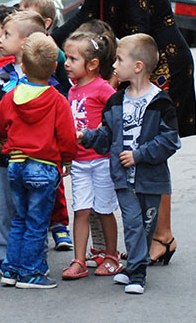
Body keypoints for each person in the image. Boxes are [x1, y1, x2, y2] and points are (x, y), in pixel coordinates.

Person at [51, 0, 196, 265]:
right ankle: (157, 235)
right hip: (136, 65)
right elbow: (86, 16)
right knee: (140, 151)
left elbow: (135, 42)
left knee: (151, 154)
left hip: (162, 69)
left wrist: (110, 84)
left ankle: (162, 236)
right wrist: (47, 39)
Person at [78, 33, 181, 295]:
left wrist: (139, 155)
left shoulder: (161, 102)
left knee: (145, 227)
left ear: (138, 67)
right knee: (133, 223)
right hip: (123, 179)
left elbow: (170, 141)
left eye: (119, 60)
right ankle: (137, 273)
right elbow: (107, 137)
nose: (113, 66)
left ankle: (134, 265)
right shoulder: (115, 102)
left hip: (151, 178)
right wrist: (87, 136)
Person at [0, 33, 78, 290]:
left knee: (20, 218)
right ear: (53, 69)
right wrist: (67, 160)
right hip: (44, 166)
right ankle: (31, 272)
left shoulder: (11, 96)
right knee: (38, 223)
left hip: (16, 164)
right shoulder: (58, 100)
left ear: (23, 66)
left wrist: (6, 140)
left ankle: (11, 268)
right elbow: (68, 138)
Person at [0, 10, 51, 264]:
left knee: (31, 207)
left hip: (34, 159)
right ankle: (4, 253)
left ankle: (31, 253)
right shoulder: (0, 77)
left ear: (27, 42)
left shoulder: (46, 80)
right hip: (1, 157)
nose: (1, 38)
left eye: (7, 34)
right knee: (1, 207)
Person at [60, 30, 120, 280]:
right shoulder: (72, 90)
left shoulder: (102, 89)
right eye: (67, 58)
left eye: (73, 59)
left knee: (104, 209)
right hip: (80, 162)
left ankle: (111, 255)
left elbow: (116, 116)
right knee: (81, 209)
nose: (66, 63)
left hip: (101, 160)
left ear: (93, 64)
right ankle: (79, 259)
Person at [18, 0, 72, 252]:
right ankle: (30, 260)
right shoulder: (10, 80)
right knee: (29, 207)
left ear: (46, 23)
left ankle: (59, 226)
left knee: (53, 188)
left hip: (44, 146)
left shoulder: (55, 57)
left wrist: (67, 155)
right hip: (26, 152)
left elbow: (64, 87)